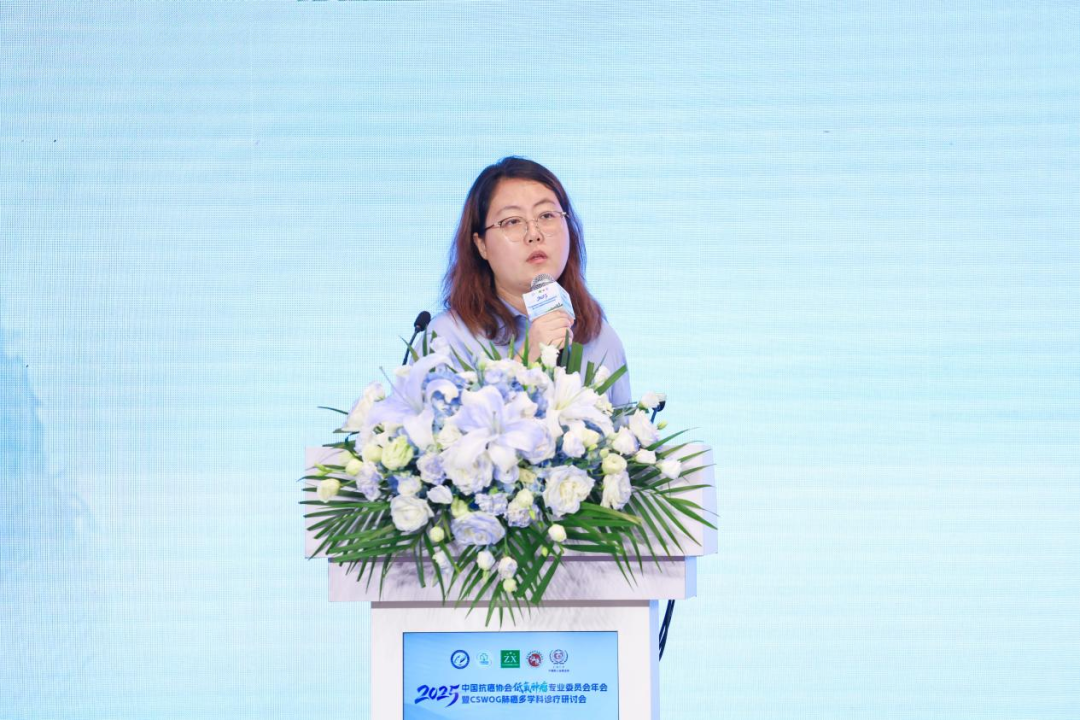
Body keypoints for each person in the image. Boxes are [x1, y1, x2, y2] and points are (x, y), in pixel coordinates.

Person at [427, 156, 632, 407]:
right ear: (481, 245)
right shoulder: (448, 337)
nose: (534, 234)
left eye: (546, 216)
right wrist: (529, 358)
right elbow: (444, 430)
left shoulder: (600, 339)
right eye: (512, 222)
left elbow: (625, 431)